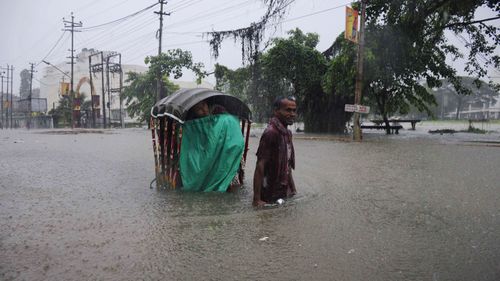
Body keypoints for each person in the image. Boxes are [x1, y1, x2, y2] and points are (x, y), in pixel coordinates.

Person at [253, 96, 297, 206]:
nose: (292, 114)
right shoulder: (271, 133)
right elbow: (260, 165)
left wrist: (293, 190)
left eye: (294, 110)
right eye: (288, 110)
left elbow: (287, 165)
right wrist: (256, 199)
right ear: (276, 111)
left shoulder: (287, 134)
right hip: (269, 194)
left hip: (283, 192)